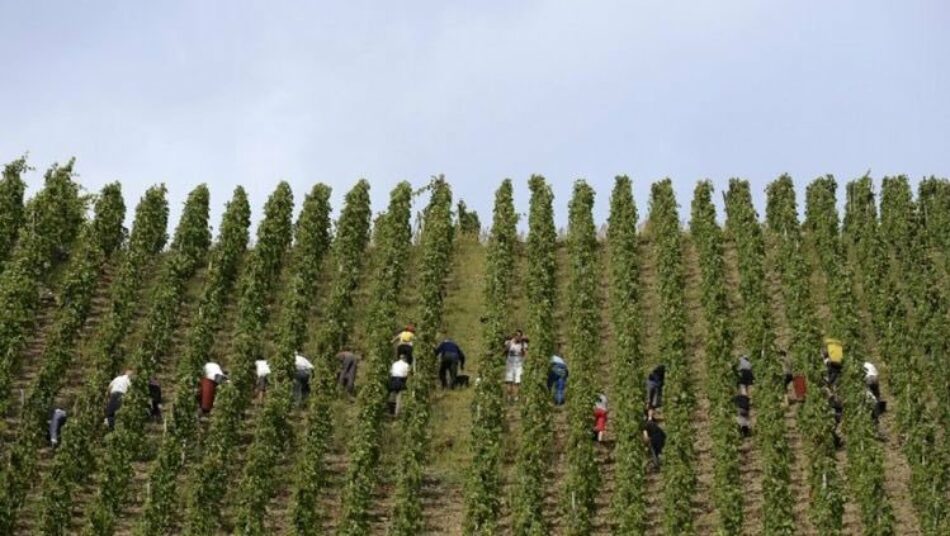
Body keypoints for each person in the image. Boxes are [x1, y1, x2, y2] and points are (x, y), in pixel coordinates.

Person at [504, 330, 528, 401]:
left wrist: (523, 350)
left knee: (518, 382)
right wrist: (508, 345)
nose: (518, 337)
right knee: (509, 381)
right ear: (514, 336)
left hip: (519, 365)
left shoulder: (523, 344)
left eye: (520, 336)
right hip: (510, 364)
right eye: (517, 336)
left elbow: (526, 354)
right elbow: (504, 352)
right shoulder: (509, 342)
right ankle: (509, 397)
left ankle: (516, 398)